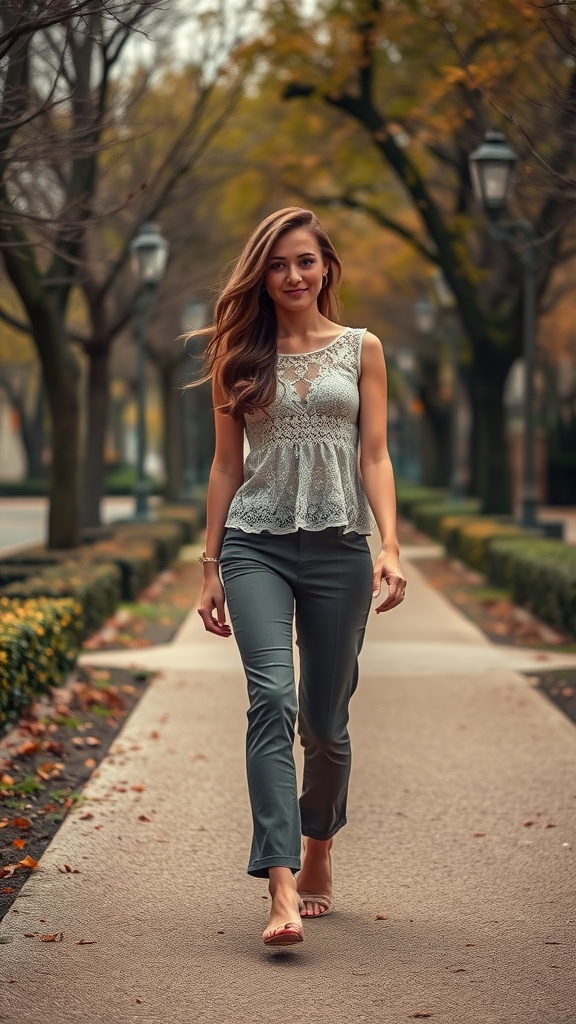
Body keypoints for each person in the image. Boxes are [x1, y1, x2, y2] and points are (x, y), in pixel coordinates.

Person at [195, 207, 406, 947]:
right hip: (257, 545)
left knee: (326, 723)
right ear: (263, 271)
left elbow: (374, 454)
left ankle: (319, 843)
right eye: (279, 264)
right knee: (272, 700)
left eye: (305, 262)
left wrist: (391, 546)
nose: (292, 276)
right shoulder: (237, 354)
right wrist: (211, 563)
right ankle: (280, 884)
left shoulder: (362, 349)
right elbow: (226, 466)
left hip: (340, 546)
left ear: (326, 267)